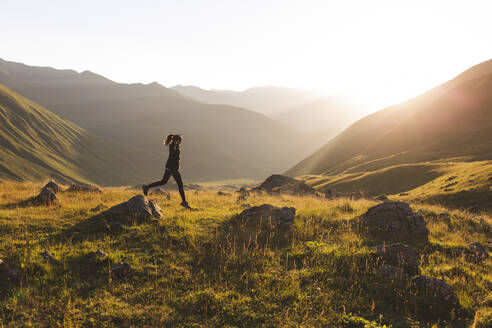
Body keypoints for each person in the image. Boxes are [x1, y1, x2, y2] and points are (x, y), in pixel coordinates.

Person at [142, 134, 190, 209]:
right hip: (171, 168)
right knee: (179, 184)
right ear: (176, 140)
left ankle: (147, 187)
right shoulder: (172, 146)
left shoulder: (176, 146)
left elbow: (176, 157)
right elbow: (173, 155)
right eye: (179, 141)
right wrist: (175, 144)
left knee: (164, 182)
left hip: (172, 168)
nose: (180, 142)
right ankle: (184, 202)